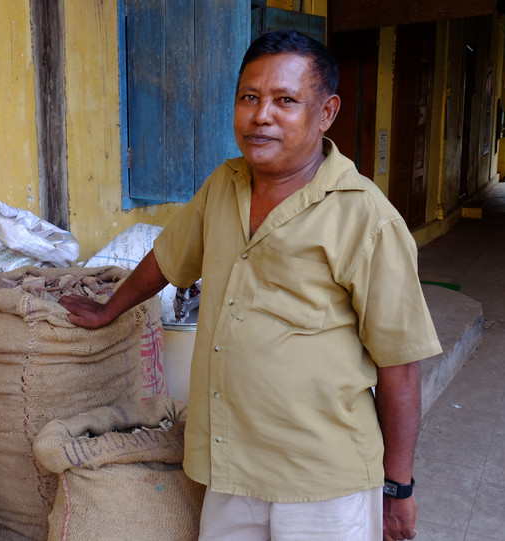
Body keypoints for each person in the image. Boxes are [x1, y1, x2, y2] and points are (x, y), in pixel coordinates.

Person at [59, 30, 442, 541]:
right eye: (249, 98)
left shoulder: (365, 218)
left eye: (285, 100)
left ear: (326, 112)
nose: (262, 115)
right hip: (232, 463)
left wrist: (399, 488)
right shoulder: (225, 184)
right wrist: (111, 308)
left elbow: (400, 366)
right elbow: (169, 258)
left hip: (321, 481)